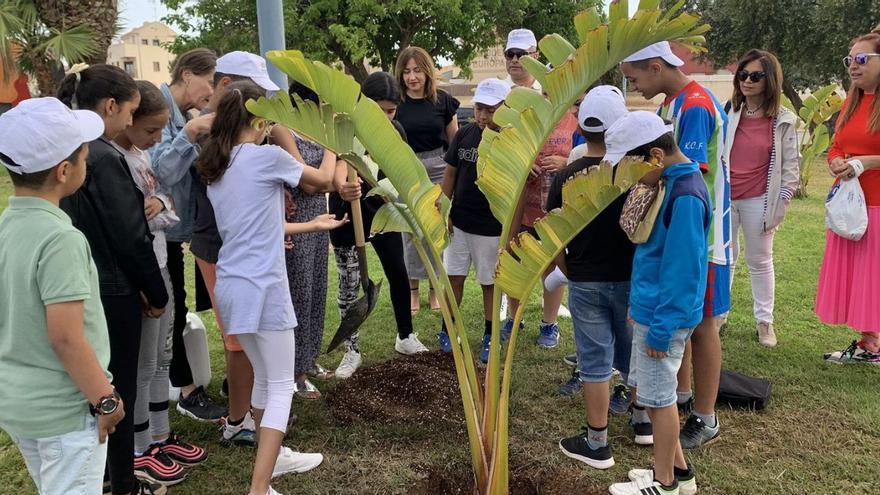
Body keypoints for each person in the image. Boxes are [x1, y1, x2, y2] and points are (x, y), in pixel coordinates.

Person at [197, 80, 342, 495]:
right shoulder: (267, 157)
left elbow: (252, 226)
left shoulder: (219, 164)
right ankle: (259, 488)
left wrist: (310, 224)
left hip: (232, 286)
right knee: (281, 384)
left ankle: (273, 460)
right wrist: (332, 140)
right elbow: (326, 179)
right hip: (264, 287)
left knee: (264, 376)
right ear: (261, 119)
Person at [0, 98, 127, 495]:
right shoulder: (61, 239)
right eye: (85, 157)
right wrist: (105, 401)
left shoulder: (8, 225)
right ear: (64, 170)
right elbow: (66, 338)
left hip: (20, 404)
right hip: (65, 412)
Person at [56, 64, 169, 495]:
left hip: (82, 287)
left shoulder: (68, 151)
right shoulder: (103, 156)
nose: (129, 123)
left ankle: (104, 474)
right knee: (116, 387)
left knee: (94, 386)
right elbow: (130, 234)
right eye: (129, 112)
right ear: (110, 106)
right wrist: (154, 292)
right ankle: (121, 481)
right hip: (115, 290)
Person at [621, 41, 729, 450]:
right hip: (682, 234)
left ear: (655, 66)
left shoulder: (695, 105)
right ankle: (678, 395)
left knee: (702, 322)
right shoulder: (673, 102)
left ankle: (704, 415)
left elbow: (687, 181)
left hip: (702, 239)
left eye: (634, 79)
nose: (634, 87)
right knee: (687, 320)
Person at [605, 111, 709, 495]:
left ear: (654, 156)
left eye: (630, 169)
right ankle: (681, 474)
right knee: (655, 398)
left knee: (660, 403)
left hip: (665, 318)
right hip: (653, 311)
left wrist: (662, 328)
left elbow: (683, 272)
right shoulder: (673, 182)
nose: (628, 181)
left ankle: (664, 484)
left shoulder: (685, 196)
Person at [112, 81, 207, 487]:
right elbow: (127, 221)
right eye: (151, 131)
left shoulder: (138, 154)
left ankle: (160, 435)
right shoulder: (112, 159)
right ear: (126, 118)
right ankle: (139, 448)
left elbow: (164, 198)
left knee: (160, 358)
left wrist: (163, 204)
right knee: (140, 363)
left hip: (159, 260)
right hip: (141, 271)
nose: (156, 140)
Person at [189, 50, 282, 447]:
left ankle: (245, 414)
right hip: (219, 247)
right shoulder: (212, 134)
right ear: (230, 88)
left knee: (246, 340)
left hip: (234, 246)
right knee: (238, 341)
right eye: (259, 98)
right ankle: (238, 419)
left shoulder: (219, 134)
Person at [330, 72, 429, 379]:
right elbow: (337, 168)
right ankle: (351, 350)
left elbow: (401, 169)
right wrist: (343, 187)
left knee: (398, 272)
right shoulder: (345, 130)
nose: (386, 117)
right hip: (348, 216)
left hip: (383, 212)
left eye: (391, 110)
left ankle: (405, 336)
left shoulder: (396, 131)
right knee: (350, 285)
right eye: (380, 109)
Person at [556, 86, 636, 470]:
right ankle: (643, 424)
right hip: (629, 279)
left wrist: (571, 271)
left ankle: (597, 441)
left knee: (595, 362)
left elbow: (553, 236)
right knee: (633, 356)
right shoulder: (634, 174)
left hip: (585, 279)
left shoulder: (565, 176)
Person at [150, 48, 227, 422]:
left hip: (179, 229)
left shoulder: (184, 115)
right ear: (186, 74)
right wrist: (191, 132)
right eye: (209, 82)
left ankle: (185, 386)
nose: (211, 92)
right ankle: (185, 391)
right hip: (158, 231)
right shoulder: (161, 111)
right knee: (171, 309)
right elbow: (160, 173)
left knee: (178, 308)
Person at [724, 49, 800, 348]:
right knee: (724, 260)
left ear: (769, 80)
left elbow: (790, 169)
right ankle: (720, 314)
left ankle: (764, 322)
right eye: (743, 74)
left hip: (760, 200)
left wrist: (781, 203)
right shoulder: (727, 110)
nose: (747, 81)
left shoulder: (783, 119)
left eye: (755, 76)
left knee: (760, 261)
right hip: (727, 198)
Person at [817, 32, 880, 363]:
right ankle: (870, 344)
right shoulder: (851, 103)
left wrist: (866, 162)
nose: (853, 67)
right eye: (850, 60)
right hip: (852, 206)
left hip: (878, 203)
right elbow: (837, 144)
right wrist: (836, 161)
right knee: (863, 277)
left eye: (862, 59)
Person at [439, 78, 511, 362]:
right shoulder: (464, 134)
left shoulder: (510, 141)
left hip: (491, 228)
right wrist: (445, 209)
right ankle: (448, 329)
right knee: (454, 277)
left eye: (491, 110)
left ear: (504, 109)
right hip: (460, 223)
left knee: (488, 283)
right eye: (480, 108)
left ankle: (490, 335)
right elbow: (450, 175)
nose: (482, 116)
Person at [502, 93, 579, 348]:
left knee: (552, 267)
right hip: (523, 208)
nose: (551, 96)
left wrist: (564, 163)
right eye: (546, 91)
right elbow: (509, 156)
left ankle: (549, 324)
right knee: (515, 262)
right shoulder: (526, 121)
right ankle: (514, 319)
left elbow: (588, 158)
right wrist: (525, 167)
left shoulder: (574, 121)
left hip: (556, 213)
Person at [394, 46, 460, 314]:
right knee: (410, 233)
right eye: (407, 71)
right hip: (407, 168)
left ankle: (434, 289)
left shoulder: (443, 101)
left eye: (417, 70)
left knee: (436, 230)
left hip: (438, 168)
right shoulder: (395, 103)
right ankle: (413, 292)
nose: (412, 77)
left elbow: (454, 141)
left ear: (427, 72)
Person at [284, 82, 338, 398]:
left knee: (318, 288)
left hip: (319, 217)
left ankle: (310, 356)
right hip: (298, 220)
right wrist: (330, 151)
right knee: (299, 292)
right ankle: (295, 370)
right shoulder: (283, 130)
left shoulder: (317, 132)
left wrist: (322, 181)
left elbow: (327, 183)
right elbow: (308, 182)